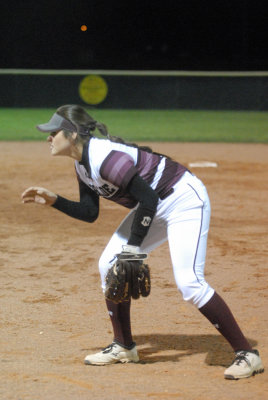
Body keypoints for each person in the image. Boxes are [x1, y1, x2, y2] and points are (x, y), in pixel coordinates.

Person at [21, 104, 264, 380]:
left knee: (189, 282)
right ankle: (124, 346)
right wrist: (54, 200)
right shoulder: (82, 165)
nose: (48, 138)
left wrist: (132, 248)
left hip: (183, 199)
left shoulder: (105, 158)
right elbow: (90, 213)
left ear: (73, 134)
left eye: (53, 132)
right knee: (108, 264)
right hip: (155, 205)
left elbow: (148, 200)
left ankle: (247, 354)